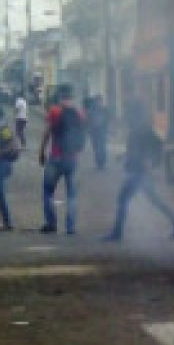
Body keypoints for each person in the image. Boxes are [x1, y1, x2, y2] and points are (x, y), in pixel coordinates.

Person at [103, 113, 174, 242]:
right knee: (154, 200)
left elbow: (145, 150)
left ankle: (117, 233)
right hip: (140, 172)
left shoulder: (138, 132)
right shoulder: (145, 130)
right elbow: (143, 149)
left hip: (138, 172)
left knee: (122, 200)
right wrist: (124, 155)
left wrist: (148, 162)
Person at [39, 86, 85, 234]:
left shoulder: (54, 111)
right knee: (72, 195)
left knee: (47, 191)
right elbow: (82, 134)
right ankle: (70, 227)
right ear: (71, 97)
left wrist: (41, 151)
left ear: (59, 97)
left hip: (56, 157)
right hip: (72, 158)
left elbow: (47, 132)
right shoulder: (79, 112)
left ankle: (51, 224)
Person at [85, 96, 110, 171]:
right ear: (95, 102)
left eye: (100, 101)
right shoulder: (91, 110)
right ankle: (99, 163)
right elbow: (88, 120)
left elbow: (108, 119)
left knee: (102, 146)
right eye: (98, 101)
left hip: (102, 131)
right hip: (94, 132)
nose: (99, 103)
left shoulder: (105, 110)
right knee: (96, 147)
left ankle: (102, 163)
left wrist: (108, 128)